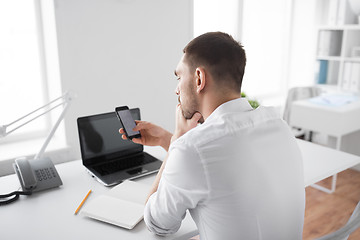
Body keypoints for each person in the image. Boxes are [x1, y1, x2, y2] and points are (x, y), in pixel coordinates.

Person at [119, 32, 305, 239]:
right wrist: (167, 139)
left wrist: (177, 140)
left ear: (199, 78)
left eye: (179, 77)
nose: (176, 90)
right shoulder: (278, 125)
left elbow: (158, 224)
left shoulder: (191, 149)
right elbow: (219, 160)